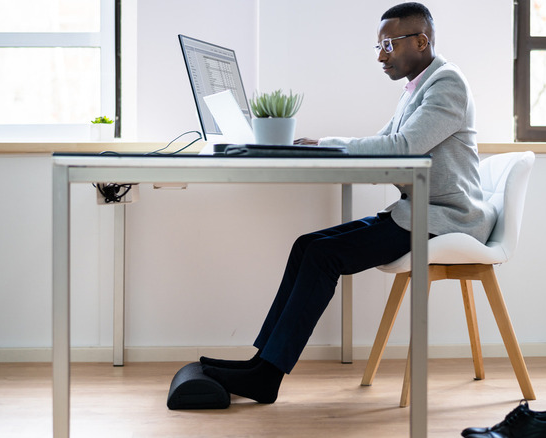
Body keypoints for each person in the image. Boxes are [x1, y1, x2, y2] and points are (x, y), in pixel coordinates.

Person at [200, 2, 497, 404]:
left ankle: (266, 377)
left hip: (445, 220)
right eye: (379, 46)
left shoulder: (447, 84)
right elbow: (385, 145)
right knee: (308, 245)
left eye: (389, 45)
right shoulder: (417, 88)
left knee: (324, 255)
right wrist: (319, 148)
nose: (381, 55)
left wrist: (325, 145)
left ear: (422, 41)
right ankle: (261, 363)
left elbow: (403, 148)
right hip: (419, 211)